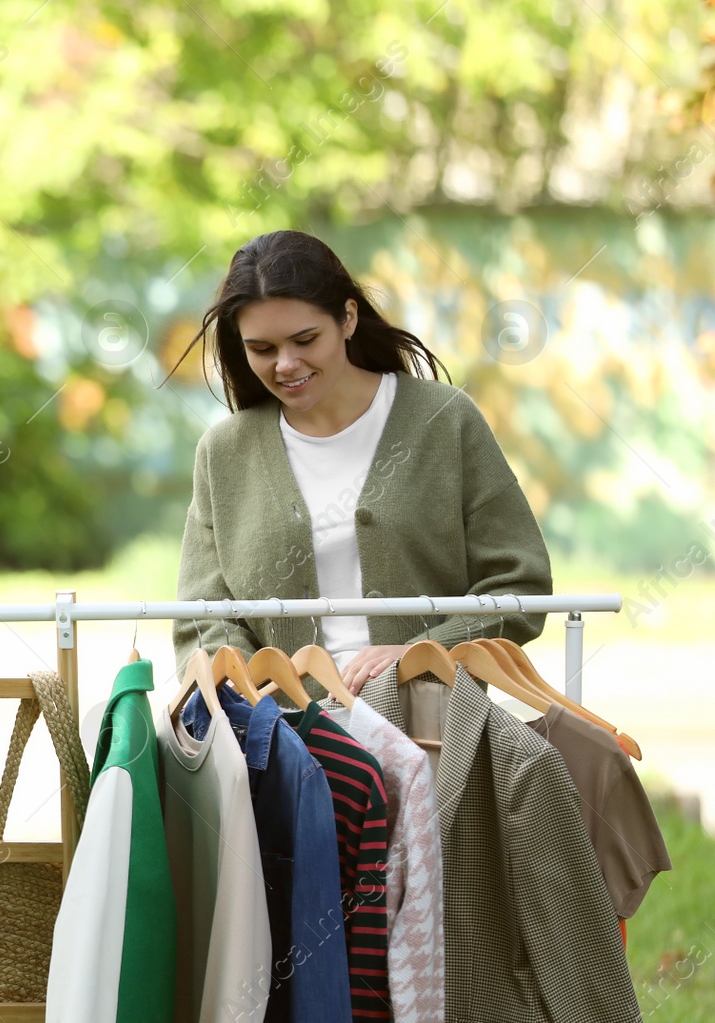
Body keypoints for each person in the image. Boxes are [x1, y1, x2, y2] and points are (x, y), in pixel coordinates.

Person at [167, 230, 553, 695]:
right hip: (281, 745)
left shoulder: (443, 420)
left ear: (348, 318)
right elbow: (203, 617)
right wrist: (260, 700)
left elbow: (519, 586)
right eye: (262, 349)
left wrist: (423, 655)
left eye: (305, 339)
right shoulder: (224, 452)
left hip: (429, 731)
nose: (285, 364)